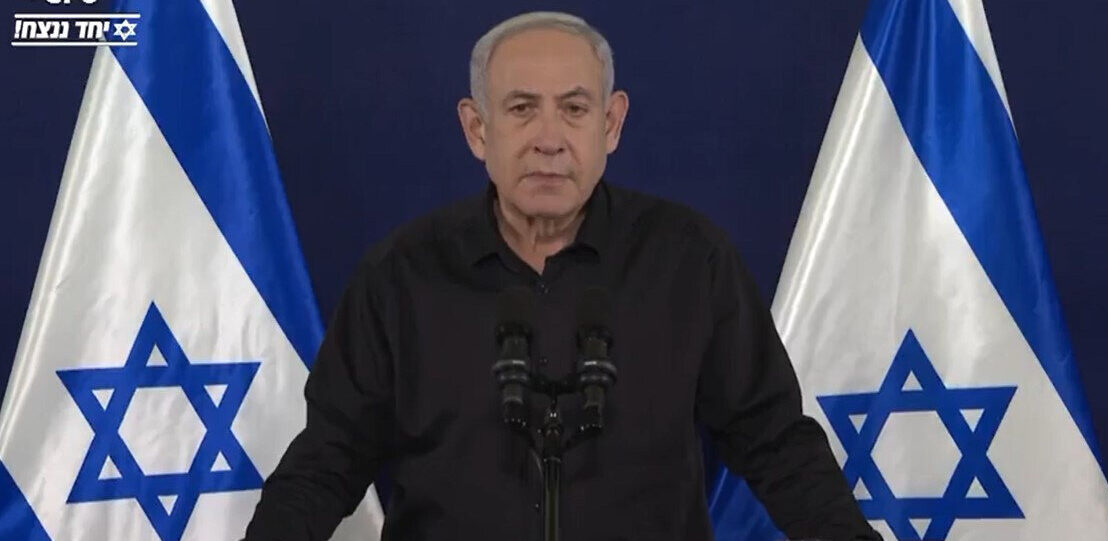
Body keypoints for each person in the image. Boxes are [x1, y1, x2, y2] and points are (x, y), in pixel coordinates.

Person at [245, 11, 880, 541]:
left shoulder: (689, 261)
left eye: (574, 109)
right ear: (477, 129)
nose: (549, 139)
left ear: (611, 124)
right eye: (522, 109)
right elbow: (328, 459)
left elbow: (776, 443)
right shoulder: (402, 276)